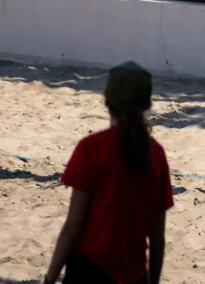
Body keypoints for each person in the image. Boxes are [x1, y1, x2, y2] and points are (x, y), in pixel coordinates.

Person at [41, 61, 174, 284]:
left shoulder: (91, 148)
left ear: (107, 102)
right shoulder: (157, 155)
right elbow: (157, 237)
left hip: (88, 270)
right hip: (134, 275)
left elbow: (74, 225)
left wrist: (50, 278)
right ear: (147, 104)